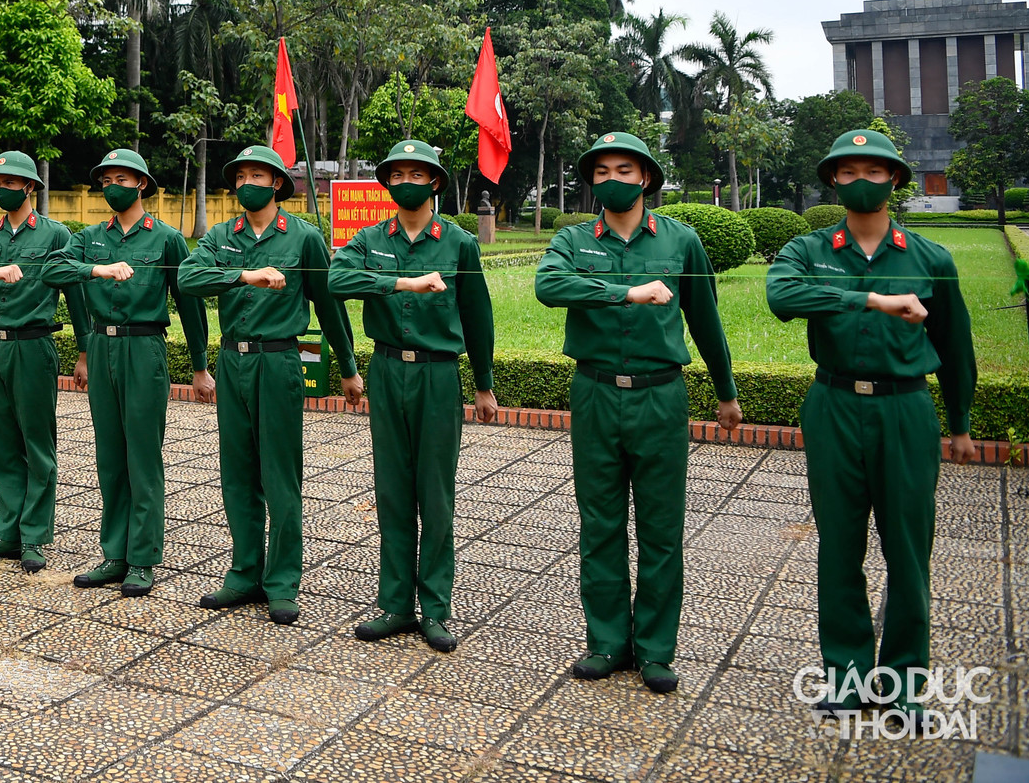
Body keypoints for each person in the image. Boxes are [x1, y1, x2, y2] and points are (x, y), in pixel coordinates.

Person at [767, 128, 977, 723]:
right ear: (832, 179)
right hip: (833, 405)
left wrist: (959, 423)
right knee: (838, 544)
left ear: (895, 180)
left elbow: (955, 348)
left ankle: (904, 682)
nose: (862, 180)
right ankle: (847, 675)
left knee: (908, 548)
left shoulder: (930, 258)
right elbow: (783, 297)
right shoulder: (809, 250)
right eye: (849, 171)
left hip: (904, 408)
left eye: (875, 171)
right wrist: (873, 300)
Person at [534, 130, 742, 695]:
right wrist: (624, 293)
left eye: (624, 170)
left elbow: (706, 320)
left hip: (660, 394)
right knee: (599, 523)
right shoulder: (574, 239)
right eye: (601, 173)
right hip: (596, 392)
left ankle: (654, 648)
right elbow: (548, 286)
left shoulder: (681, 242)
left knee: (660, 528)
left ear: (646, 178)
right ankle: (605, 641)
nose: (612, 181)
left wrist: (725, 391)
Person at [178, 143, 362, 626]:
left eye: (257, 176)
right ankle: (243, 573)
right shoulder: (222, 234)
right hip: (232, 361)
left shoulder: (303, 238)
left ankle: (281, 582)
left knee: (279, 474)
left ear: (278, 183)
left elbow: (329, 304)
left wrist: (348, 366)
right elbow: (189, 277)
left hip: (280, 360)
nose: (246, 185)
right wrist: (245, 274)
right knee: (237, 472)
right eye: (240, 178)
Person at [329, 140, 496, 653]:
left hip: (438, 375)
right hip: (386, 370)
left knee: (435, 494)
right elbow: (337, 279)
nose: (405, 180)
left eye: (416, 173)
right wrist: (403, 282)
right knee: (393, 491)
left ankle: (436, 608)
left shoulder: (459, 244)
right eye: (396, 173)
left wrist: (484, 384)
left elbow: (478, 315)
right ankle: (396, 604)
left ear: (435, 182)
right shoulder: (370, 238)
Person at [44, 149, 209, 597]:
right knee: (110, 455)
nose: (112, 185)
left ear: (141, 183)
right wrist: (95, 268)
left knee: (142, 456)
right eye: (106, 179)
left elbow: (190, 305)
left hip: (143, 347)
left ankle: (142, 558)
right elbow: (53, 268)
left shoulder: (167, 239)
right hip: (101, 346)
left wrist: (200, 367)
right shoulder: (90, 236)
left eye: (122, 177)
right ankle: (114, 553)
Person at [0, 151, 94, 572]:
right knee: (3, 444)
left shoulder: (54, 235)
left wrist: (83, 352)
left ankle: (34, 537)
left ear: (29, 186)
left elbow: (77, 296)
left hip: (33, 345)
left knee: (37, 444)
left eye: (9, 182)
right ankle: (6, 533)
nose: (0, 189)